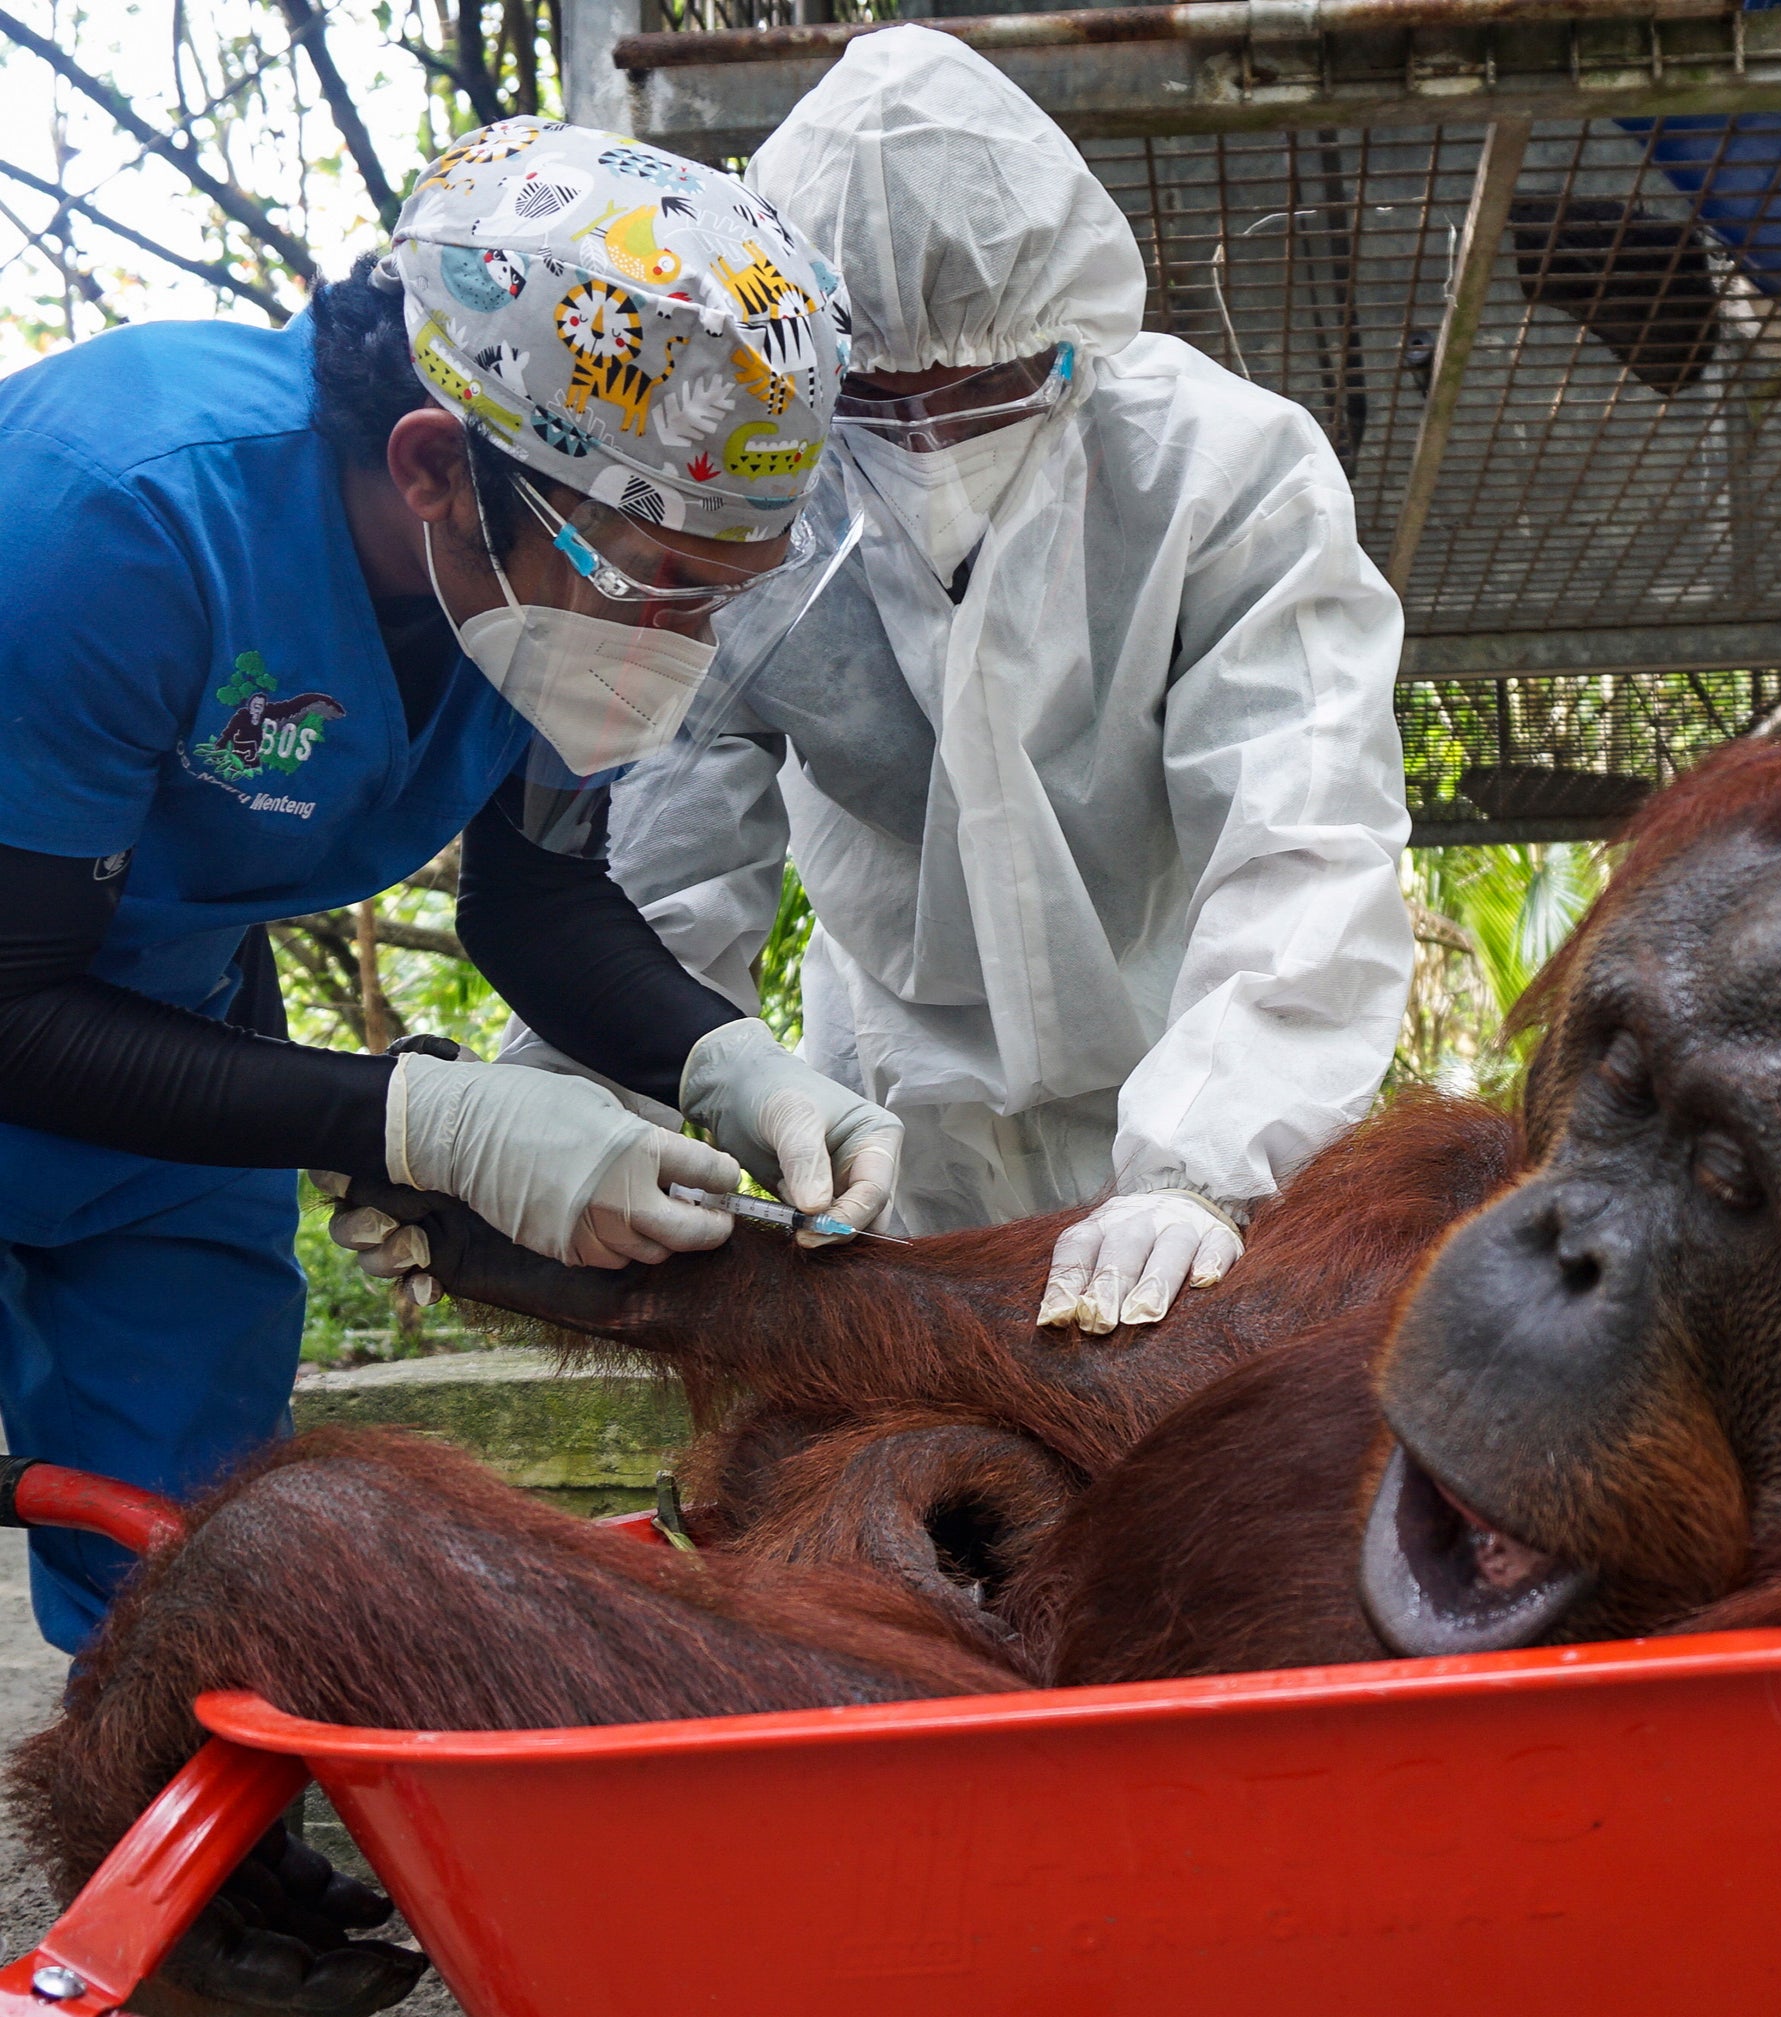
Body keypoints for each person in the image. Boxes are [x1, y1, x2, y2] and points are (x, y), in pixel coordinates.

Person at [0, 118, 903, 1651]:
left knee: (181, 1507)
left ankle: (202, 1833)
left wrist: (728, 1065)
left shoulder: (526, 582)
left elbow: (536, 897)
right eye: (658, 585)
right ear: (435, 465)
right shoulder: (117, 516)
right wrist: (420, 1119)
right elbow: (14, 999)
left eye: (718, 599)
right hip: (33, 992)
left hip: (159, 1015)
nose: (676, 650)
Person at [526, 29, 1415, 1337]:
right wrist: (578, 1122)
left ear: (1067, 324)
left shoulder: (1223, 477)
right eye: (883, 402)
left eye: (987, 386)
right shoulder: (740, 515)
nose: (935, 435)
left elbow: (1304, 831)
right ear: (809, 372)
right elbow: (652, 872)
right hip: (891, 1102)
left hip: (1197, 1047)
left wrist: (1206, 1167)